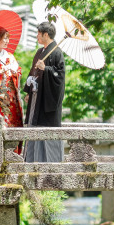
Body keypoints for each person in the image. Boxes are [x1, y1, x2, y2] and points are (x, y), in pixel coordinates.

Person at [23, 20, 65, 162]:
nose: (37, 36)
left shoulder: (57, 53)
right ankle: (31, 160)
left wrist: (45, 69)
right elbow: (33, 72)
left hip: (47, 100)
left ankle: (49, 164)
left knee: (46, 130)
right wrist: (29, 91)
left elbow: (59, 76)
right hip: (36, 98)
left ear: (46, 35)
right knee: (33, 126)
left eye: (39, 34)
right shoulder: (40, 52)